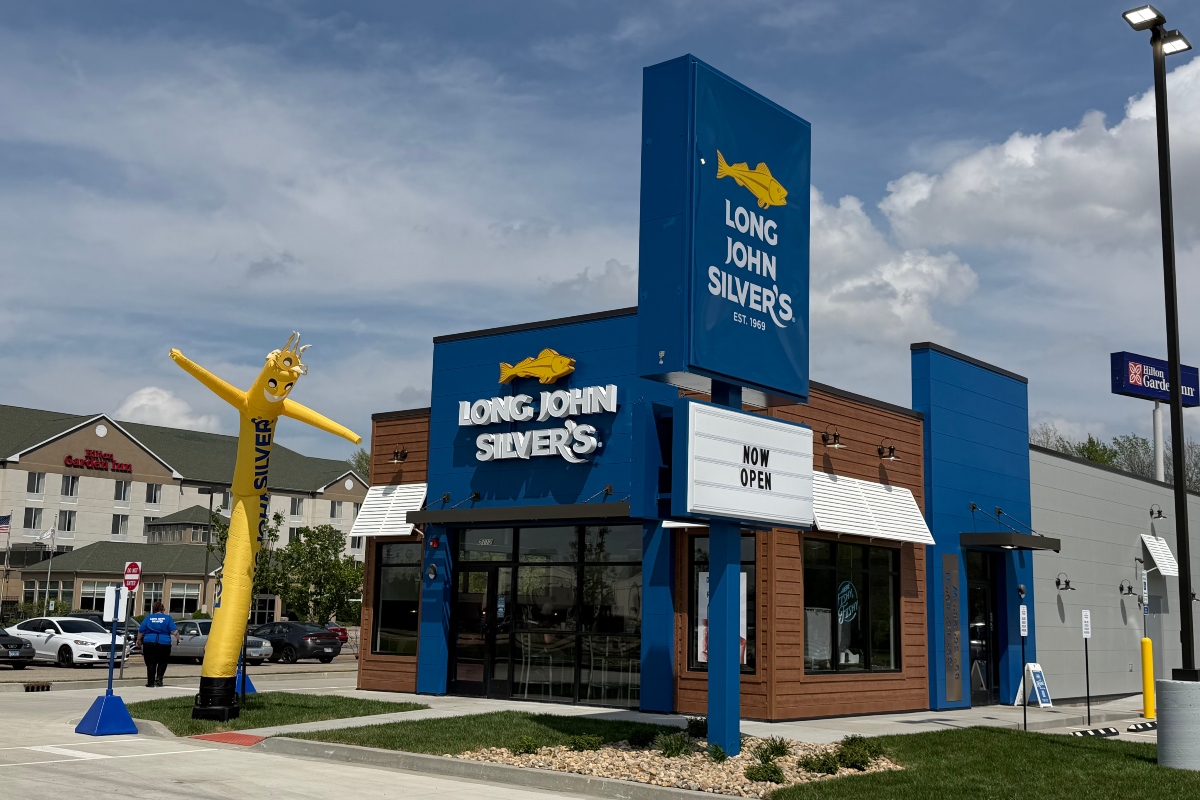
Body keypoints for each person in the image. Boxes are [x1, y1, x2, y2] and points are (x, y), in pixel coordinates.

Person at [137, 601, 179, 687]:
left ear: (154, 609)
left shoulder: (148, 618)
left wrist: (138, 640)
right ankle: (159, 679)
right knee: (163, 661)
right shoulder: (167, 618)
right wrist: (178, 638)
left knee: (150, 662)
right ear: (163, 609)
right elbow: (174, 631)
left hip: (149, 641)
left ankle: (150, 682)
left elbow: (141, 630)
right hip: (164, 642)